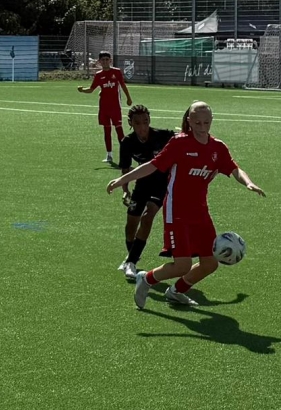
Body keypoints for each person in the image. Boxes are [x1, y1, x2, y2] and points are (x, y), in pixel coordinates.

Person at [107, 101, 265, 309]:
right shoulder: (179, 143)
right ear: (189, 121)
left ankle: (176, 291)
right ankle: (146, 279)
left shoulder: (217, 148)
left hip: (201, 213)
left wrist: (248, 183)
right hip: (177, 212)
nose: (202, 127)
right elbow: (152, 166)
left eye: (206, 122)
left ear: (212, 121)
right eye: (197, 122)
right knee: (182, 265)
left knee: (210, 263)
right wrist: (122, 180)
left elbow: (234, 169)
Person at [112, 105, 175, 280]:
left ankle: (131, 262)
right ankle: (131, 257)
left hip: (162, 183)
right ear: (130, 123)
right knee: (131, 223)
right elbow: (125, 169)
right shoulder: (127, 142)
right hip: (142, 182)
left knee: (148, 217)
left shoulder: (163, 136)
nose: (143, 127)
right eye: (138, 123)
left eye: (145, 122)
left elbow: (185, 139)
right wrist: (125, 190)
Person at [77, 50, 132, 164]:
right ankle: (109, 154)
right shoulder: (98, 75)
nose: (105, 62)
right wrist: (82, 90)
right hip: (104, 108)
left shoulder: (116, 72)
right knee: (107, 131)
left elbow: (123, 85)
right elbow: (91, 89)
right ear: (99, 62)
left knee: (119, 130)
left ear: (110, 61)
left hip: (115, 107)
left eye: (107, 60)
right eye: (103, 60)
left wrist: (128, 98)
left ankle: (125, 154)